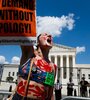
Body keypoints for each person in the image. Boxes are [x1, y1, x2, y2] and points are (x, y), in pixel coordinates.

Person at [11, 33, 57, 100]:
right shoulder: (29, 55)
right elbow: (23, 35)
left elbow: (50, 91)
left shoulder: (52, 67)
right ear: (37, 42)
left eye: (51, 36)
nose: (50, 36)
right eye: (45, 34)